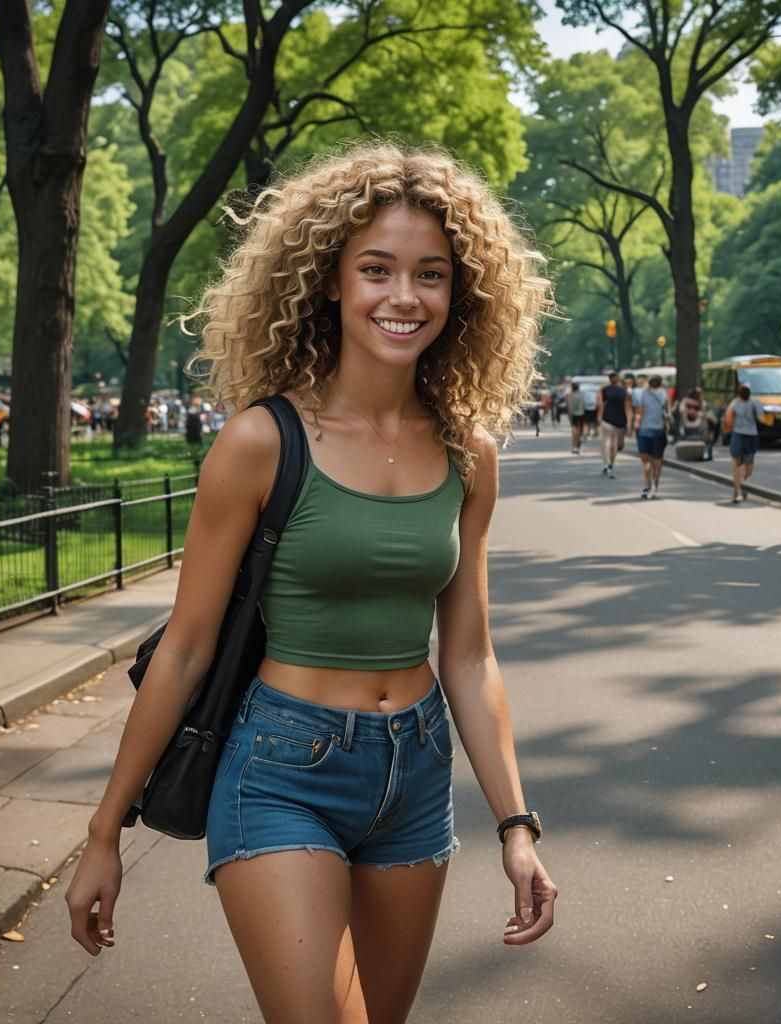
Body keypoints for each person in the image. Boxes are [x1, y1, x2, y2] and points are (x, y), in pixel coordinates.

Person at [64, 145, 558, 1022]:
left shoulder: (469, 453)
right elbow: (184, 647)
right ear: (329, 281)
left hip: (415, 773)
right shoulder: (262, 440)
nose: (403, 297)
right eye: (376, 269)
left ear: (460, 294)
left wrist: (517, 828)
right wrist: (106, 833)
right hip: (281, 768)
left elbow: (471, 656)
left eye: (430, 275)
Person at [724, 383, 765, 502]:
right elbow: (761, 417)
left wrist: (727, 430)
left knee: (740, 464)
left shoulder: (737, 403)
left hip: (742, 435)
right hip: (747, 435)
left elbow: (728, 417)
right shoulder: (752, 403)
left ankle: (739, 489)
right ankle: (742, 487)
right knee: (745, 463)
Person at [634, 374, 671, 499]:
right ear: (660, 382)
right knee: (657, 460)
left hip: (644, 430)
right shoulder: (663, 394)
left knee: (646, 462)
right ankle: (655, 485)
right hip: (658, 431)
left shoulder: (643, 393)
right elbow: (668, 413)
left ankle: (646, 485)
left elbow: (639, 411)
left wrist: (635, 424)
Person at [596, 371, 631, 477]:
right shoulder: (624, 391)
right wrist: (629, 422)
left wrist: (599, 417)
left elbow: (600, 404)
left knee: (606, 443)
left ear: (610, 379)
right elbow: (627, 407)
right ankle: (611, 463)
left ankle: (607, 463)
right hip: (620, 420)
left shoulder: (604, 390)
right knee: (615, 445)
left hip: (607, 419)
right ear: (618, 379)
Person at [568, 381, 586, 453]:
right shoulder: (582, 395)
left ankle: (574, 446)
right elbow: (585, 405)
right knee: (580, 431)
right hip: (582, 414)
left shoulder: (571, 395)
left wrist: (570, 416)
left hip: (574, 415)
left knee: (574, 431)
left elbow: (570, 407)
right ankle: (578, 446)